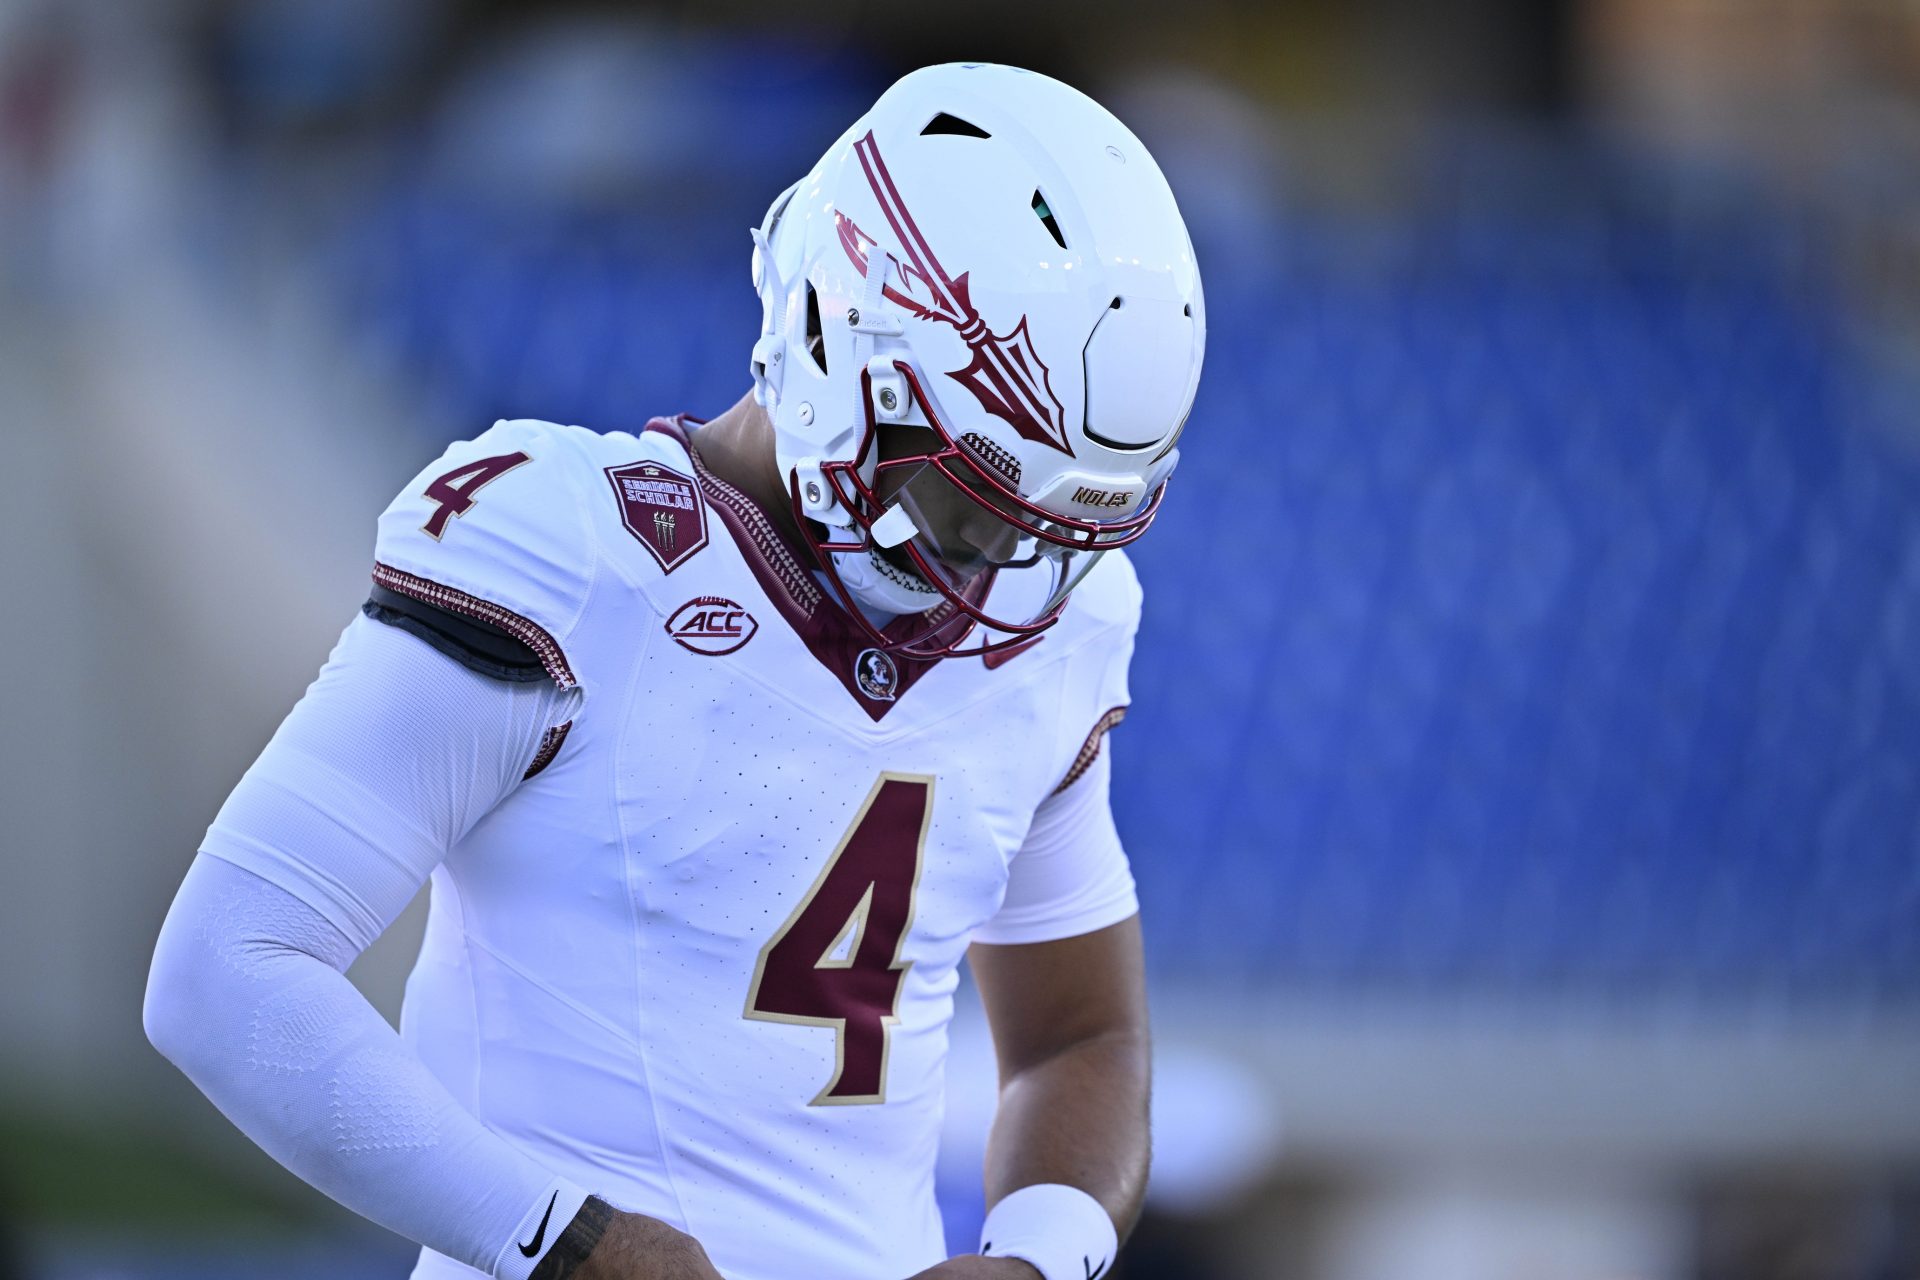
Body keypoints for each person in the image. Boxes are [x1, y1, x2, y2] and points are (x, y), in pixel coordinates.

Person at [144, 62, 1205, 1280]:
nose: (1001, 578)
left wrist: (1036, 1255)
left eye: (1045, 536)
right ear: (836, 341)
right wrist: (562, 1235)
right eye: (966, 509)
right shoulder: (574, 553)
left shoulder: (1052, 626)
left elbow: (1084, 1035)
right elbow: (225, 969)